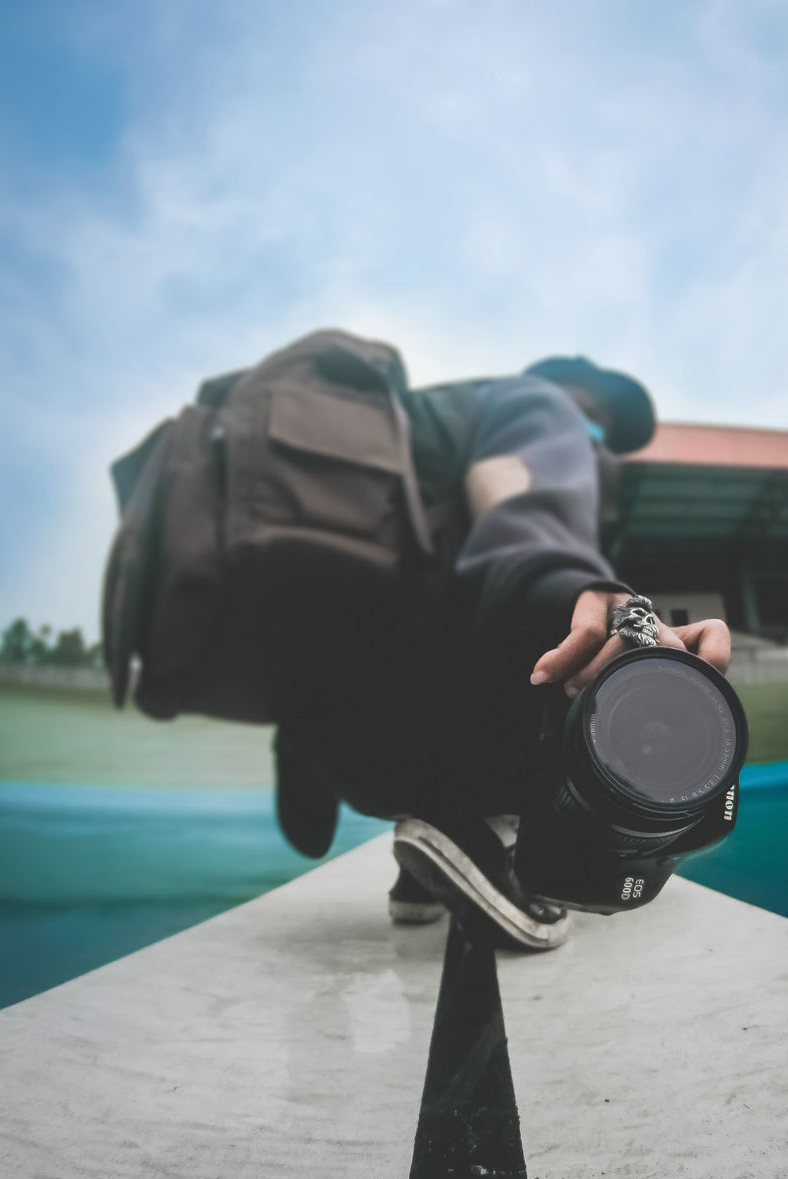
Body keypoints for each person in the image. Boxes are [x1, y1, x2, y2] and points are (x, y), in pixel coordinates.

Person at [273, 354, 731, 950]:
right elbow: (515, 505)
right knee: (578, 674)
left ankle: (424, 865)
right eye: (590, 413)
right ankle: (462, 825)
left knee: (520, 622)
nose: (594, 437)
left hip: (348, 743)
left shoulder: (417, 452)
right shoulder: (533, 410)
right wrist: (573, 588)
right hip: (422, 730)